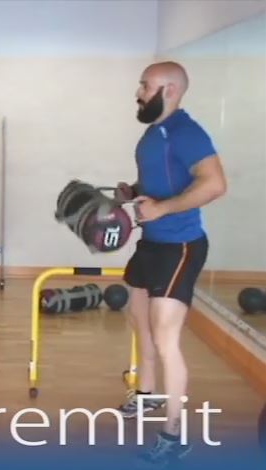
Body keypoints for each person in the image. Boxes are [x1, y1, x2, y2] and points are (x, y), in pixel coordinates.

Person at [115, 61, 227, 466]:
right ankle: (147, 395)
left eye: (145, 86)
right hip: (151, 243)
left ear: (170, 90)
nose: (138, 92)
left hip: (180, 246)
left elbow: (214, 183)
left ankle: (174, 436)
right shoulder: (153, 133)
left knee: (165, 339)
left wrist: (162, 209)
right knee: (139, 323)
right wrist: (134, 191)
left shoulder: (187, 133)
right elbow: (163, 180)